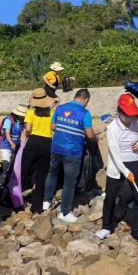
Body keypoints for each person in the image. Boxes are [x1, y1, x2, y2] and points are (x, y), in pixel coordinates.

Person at [95, 93, 138, 242]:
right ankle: (106, 227)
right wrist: (126, 172)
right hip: (117, 165)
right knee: (110, 196)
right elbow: (114, 154)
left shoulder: (136, 122)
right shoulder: (112, 128)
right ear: (120, 112)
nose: (130, 118)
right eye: (127, 115)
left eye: (132, 115)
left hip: (134, 161)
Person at [42, 89, 97, 223]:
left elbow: (53, 127)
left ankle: (46, 201)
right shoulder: (85, 113)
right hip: (73, 152)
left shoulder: (60, 108)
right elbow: (89, 135)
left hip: (56, 148)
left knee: (52, 173)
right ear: (86, 100)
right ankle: (65, 212)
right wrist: (95, 137)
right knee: (69, 182)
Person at [22, 88, 58, 213]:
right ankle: (37, 207)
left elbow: (27, 129)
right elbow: (54, 128)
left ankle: (14, 199)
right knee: (41, 175)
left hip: (33, 141)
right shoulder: (52, 113)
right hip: (47, 143)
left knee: (23, 170)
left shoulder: (31, 112)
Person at [0, 104, 27, 176]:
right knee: (6, 161)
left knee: (13, 162)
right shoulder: (9, 120)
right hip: (6, 144)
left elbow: (24, 133)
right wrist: (11, 143)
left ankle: (9, 177)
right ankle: (3, 176)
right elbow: (7, 133)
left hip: (16, 144)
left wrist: (23, 144)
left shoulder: (22, 121)